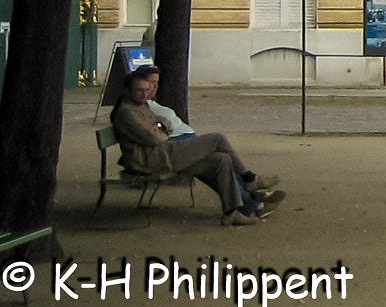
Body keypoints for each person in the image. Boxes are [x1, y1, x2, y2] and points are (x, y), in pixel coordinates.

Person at [112, 71, 284, 225]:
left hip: (162, 152)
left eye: (146, 90)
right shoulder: (127, 111)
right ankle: (250, 178)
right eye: (139, 90)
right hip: (151, 159)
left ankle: (232, 212)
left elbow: (164, 123)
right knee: (218, 138)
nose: (144, 94)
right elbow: (154, 137)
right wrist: (160, 128)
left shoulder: (139, 105)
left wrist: (160, 126)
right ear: (128, 90)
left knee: (221, 159)